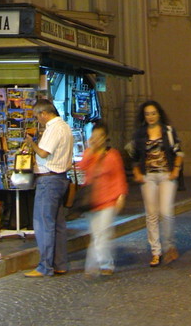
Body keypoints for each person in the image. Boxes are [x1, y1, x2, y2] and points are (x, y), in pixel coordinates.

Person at [21, 99, 74, 278]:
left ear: (44, 113)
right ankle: (60, 264)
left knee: (44, 224)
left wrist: (31, 143)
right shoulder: (66, 127)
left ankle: (45, 266)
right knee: (58, 225)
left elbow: (44, 153)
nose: (38, 120)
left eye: (38, 117)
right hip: (61, 179)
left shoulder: (53, 128)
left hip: (48, 180)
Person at [131, 99, 183, 267]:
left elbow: (179, 151)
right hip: (148, 177)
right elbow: (133, 155)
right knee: (151, 214)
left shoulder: (168, 131)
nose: (151, 117)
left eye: (153, 113)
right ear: (144, 116)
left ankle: (169, 246)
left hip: (166, 175)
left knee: (166, 211)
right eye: (147, 114)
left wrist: (176, 169)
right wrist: (137, 171)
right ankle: (156, 251)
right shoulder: (139, 134)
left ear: (159, 114)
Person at [78, 120, 128, 277]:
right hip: (92, 201)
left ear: (106, 137)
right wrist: (91, 151)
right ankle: (97, 264)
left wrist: (121, 196)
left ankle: (102, 264)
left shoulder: (113, 155)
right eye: (94, 136)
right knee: (96, 234)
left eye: (100, 136)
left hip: (108, 200)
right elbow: (82, 167)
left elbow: (119, 176)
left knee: (102, 234)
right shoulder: (89, 153)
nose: (97, 139)